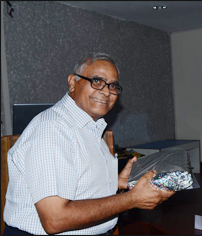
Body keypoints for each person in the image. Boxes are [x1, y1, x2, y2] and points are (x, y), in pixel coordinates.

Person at [3, 52, 175, 235]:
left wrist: (116, 183)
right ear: (72, 82)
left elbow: (77, 184)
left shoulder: (90, 128)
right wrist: (132, 199)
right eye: (97, 81)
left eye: (113, 85)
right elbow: (55, 219)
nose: (107, 91)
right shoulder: (52, 129)